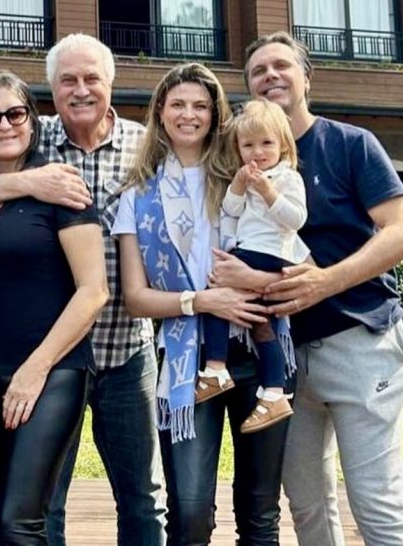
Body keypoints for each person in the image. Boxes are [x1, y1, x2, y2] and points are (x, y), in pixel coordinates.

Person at [0, 33, 165, 546]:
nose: (81, 89)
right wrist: (30, 183)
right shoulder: (30, 137)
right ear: (51, 92)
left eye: (91, 79)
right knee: (41, 508)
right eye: (68, 80)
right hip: (25, 352)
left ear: (111, 83)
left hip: (117, 347)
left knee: (141, 498)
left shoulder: (147, 144)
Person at [216, 31, 403, 545]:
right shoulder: (246, 160)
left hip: (360, 339)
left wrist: (326, 282)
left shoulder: (350, 144)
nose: (271, 76)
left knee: (375, 505)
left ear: (307, 78)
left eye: (282, 66)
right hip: (284, 357)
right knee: (308, 507)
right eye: (258, 71)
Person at [113, 62, 292, 544]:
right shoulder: (138, 194)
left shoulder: (247, 178)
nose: (189, 115)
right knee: (189, 511)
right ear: (160, 112)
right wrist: (203, 300)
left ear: (215, 115)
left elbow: (292, 251)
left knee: (260, 513)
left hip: (259, 350)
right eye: (178, 105)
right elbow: (135, 297)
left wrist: (253, 281)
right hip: (187, 365)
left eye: (200, 105)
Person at [0, 69, 108, 545]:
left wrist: (35, 369)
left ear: (32, 119)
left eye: (15, 113)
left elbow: (93, 292)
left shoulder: (63, 189)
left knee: (22, 524)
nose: (4, 125)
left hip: (51, 372)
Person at [198, 98, 309, 434]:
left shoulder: (286, 178)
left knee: (215, 295)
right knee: (264, 325)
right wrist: (240, 184)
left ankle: (216, 367)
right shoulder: (248, 175)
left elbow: (296, 219)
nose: (257, 152)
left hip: (269, 253)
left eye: (266, 143)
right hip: (252, 250)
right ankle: (274, 392)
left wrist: (268, 190)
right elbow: (230, 210)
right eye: (248, 145)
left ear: (283, 145)